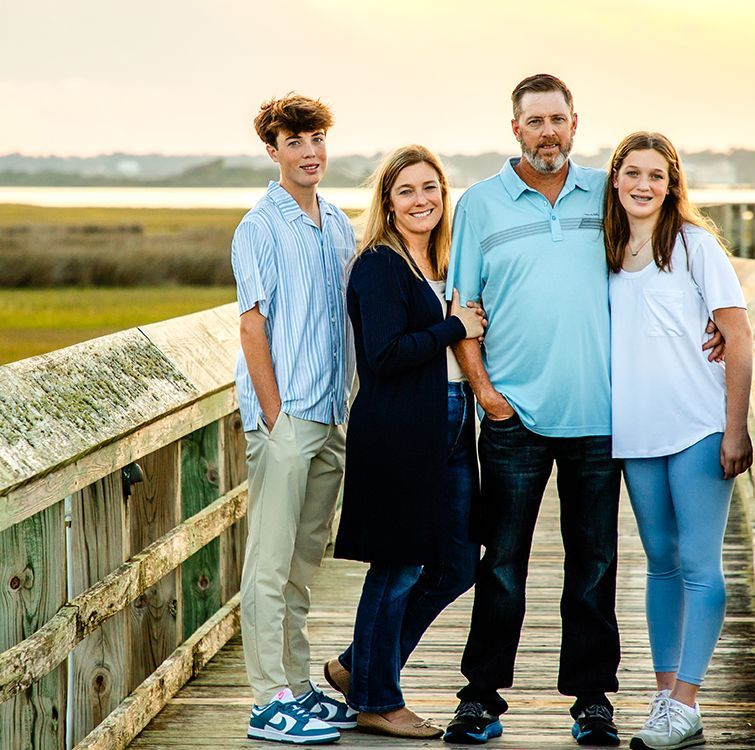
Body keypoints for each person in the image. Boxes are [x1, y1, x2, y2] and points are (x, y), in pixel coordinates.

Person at [443, 74, 726, 747]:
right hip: (514, 417)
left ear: (576, 123)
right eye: (534, 121)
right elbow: (463, 310)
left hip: (603, 418)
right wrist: (486, 395)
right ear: (515, 127)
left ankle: (592, 701)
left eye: (558, 120)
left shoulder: (607, 190)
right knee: (502, 561)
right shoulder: (480, 204)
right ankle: (481, 696)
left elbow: (668, 248)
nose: (547, 132)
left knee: (595, 564)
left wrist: (715, 319)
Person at [327, 145, 486, 739]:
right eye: (407, 191)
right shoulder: (379, 265)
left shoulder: (444, 261)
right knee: (396, 566)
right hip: (398, 429)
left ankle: (356, 666)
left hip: (450, 423)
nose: (422, 201)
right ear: (388, 204)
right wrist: (452, 325)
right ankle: (377, 698)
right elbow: (384, 356)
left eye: (431, 189)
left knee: (456, 565)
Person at [604, 132, 753, 750]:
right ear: (615, 180)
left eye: (657, 177)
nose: (644, 185)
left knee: (698, 564)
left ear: (672, 186)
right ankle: (666, 698)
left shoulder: (695, 247)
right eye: (633, 173)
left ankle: (689, 699)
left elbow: (738, 338)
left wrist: (735, 427)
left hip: (697, 426)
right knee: (659, 563)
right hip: (636, 433)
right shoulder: (606, 248)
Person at [233, 94, 358, 745]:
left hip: (331, 414)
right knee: (268, 563)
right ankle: (266, 700)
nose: (309, 152)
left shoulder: (337, 222)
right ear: (274, 150)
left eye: (317, 140)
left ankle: (300, 684)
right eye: (295, 141)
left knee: (302, 564)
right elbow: (253, 326)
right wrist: (277, 419)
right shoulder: (260, 225)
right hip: (286, 420)